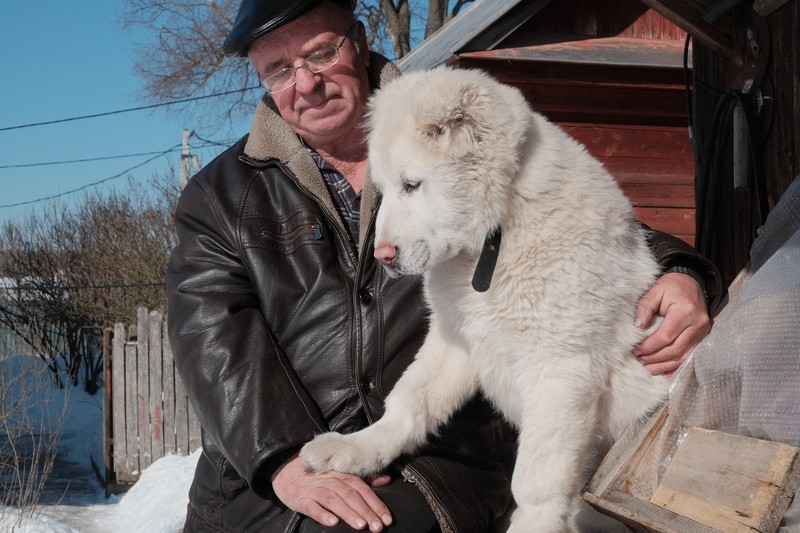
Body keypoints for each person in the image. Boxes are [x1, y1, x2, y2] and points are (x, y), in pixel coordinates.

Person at [166, 1, 723, 531]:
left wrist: (682, 270)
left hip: (442, 464)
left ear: (359, 42)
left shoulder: (448, 129)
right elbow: (210, 340)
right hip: (272, 464)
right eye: (279, 70)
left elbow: (579, 224)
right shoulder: (219, 196)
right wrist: (281, 460)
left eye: (319, 53)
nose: (305, 83)